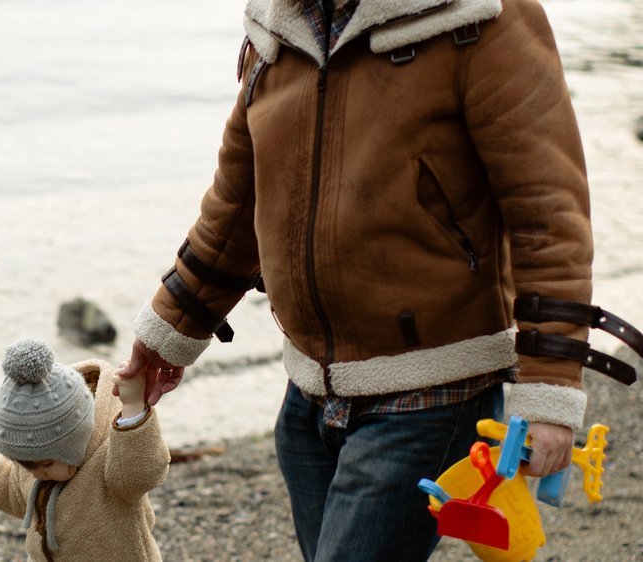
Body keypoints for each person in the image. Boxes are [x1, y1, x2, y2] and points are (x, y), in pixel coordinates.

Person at [116, 0, 592, 559]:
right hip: (307, 398)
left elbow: (548, 218)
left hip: (432, 390)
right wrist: (171, 328)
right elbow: (236, 205)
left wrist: (551, 389)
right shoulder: (277, 25)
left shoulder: (482, 18)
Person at [0, 339, 170, 561]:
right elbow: (14, 488)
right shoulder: (38, 465)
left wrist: (132, 405)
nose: (36, 474)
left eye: (45, 465)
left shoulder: (111, 465)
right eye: (25, 465)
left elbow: (141, 471)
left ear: (72, 446)